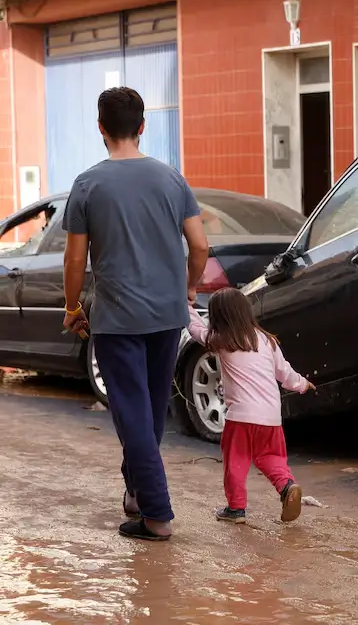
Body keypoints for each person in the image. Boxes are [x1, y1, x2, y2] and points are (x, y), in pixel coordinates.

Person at [62, 87, 210, 542]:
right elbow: (201, 246)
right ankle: (135, 491)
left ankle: (157, 516)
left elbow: (74, 259)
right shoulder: (171, 179)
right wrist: (187, 289)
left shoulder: (88, 184)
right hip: (168, 315)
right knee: (146, 411)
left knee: (132, 414)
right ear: (142, 126)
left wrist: (72, 307)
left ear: (101, 129)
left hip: (118, 319)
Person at [185, 287, 314, 524]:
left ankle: (236, 509)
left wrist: (185, 305)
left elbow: (195, 329)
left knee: (236, 462)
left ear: (218, 317)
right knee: (271, 457)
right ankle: (287, 486)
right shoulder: (267, 340)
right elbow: (285, 373)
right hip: (271, 417)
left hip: (241, 418)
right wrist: (303, 384)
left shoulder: (222, 341)